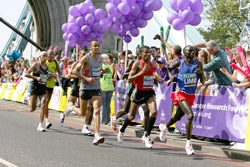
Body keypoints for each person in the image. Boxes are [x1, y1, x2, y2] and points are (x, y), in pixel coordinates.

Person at [158, 45, 205, 155]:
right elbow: (168, 68)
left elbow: (203, 80)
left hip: (191, 94)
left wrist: (201, 73)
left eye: (193, 51)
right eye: (189, 51)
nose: (192, 53)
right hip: (181, 93)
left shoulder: (198, 64)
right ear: (184, 53)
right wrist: (172, 77)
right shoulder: (181, 62)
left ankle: (164, 127)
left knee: (177, 117)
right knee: (190, 115)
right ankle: (188, 144)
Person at [117, 45, 158, 148]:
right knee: (131, 116)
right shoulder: (137, 64)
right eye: (146, 53)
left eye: (149, 52)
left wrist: (154, 79)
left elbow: (150, 76)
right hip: (138, 92)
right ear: (140, 54)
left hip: (149, 92)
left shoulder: (152, 64)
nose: (148, 54)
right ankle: (121, 130)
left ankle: (147, 136)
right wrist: (142, 72)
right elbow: (130, 79)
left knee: (153, 112)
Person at [72, 40, 104, 145]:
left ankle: (97, 134)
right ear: (90, 47)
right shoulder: (86, 58)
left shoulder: (101, 58)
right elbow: (74, 71)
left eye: (98, 46)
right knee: (82, 113)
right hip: (85, 88)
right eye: (95, 46)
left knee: (97, 110)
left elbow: (97, 71)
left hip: (96, 88)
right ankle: (71, 107)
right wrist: (86, 78)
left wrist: (102, 73)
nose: (97, 47)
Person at [25, 51, 51, 132]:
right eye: (43, 56)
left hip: (43, 87)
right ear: (39, 57)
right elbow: (26, 73)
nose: (45, 57)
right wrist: (36, 78)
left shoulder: (47, 67)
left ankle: (40, 124)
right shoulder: (36, 65)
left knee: (44, 104)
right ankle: (27, 99)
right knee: (33, 108)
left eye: (46, 56)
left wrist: (49, 76)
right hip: (35, 87)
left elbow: (48, 76)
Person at [45, 49, 61, 128]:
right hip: (44, 84)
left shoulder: (55, 62)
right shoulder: (44, 62)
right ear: (47, 55)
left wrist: (57, 75)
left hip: (51, 85)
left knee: (47, 103)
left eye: (53, 54)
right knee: (45, 102)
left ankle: (45, 118)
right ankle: (46, 120)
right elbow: (41, 74)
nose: (51, 56)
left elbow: (59, 72)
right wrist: (50, 75)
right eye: (50, 54)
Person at [100, 54, 114, 124]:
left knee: (103, 104)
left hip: (103, 87)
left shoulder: (101, 67)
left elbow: (99, 76)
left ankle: (103, 120)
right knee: (108, 104)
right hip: (110, 87)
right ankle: (108, 119)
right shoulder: (110, 67)